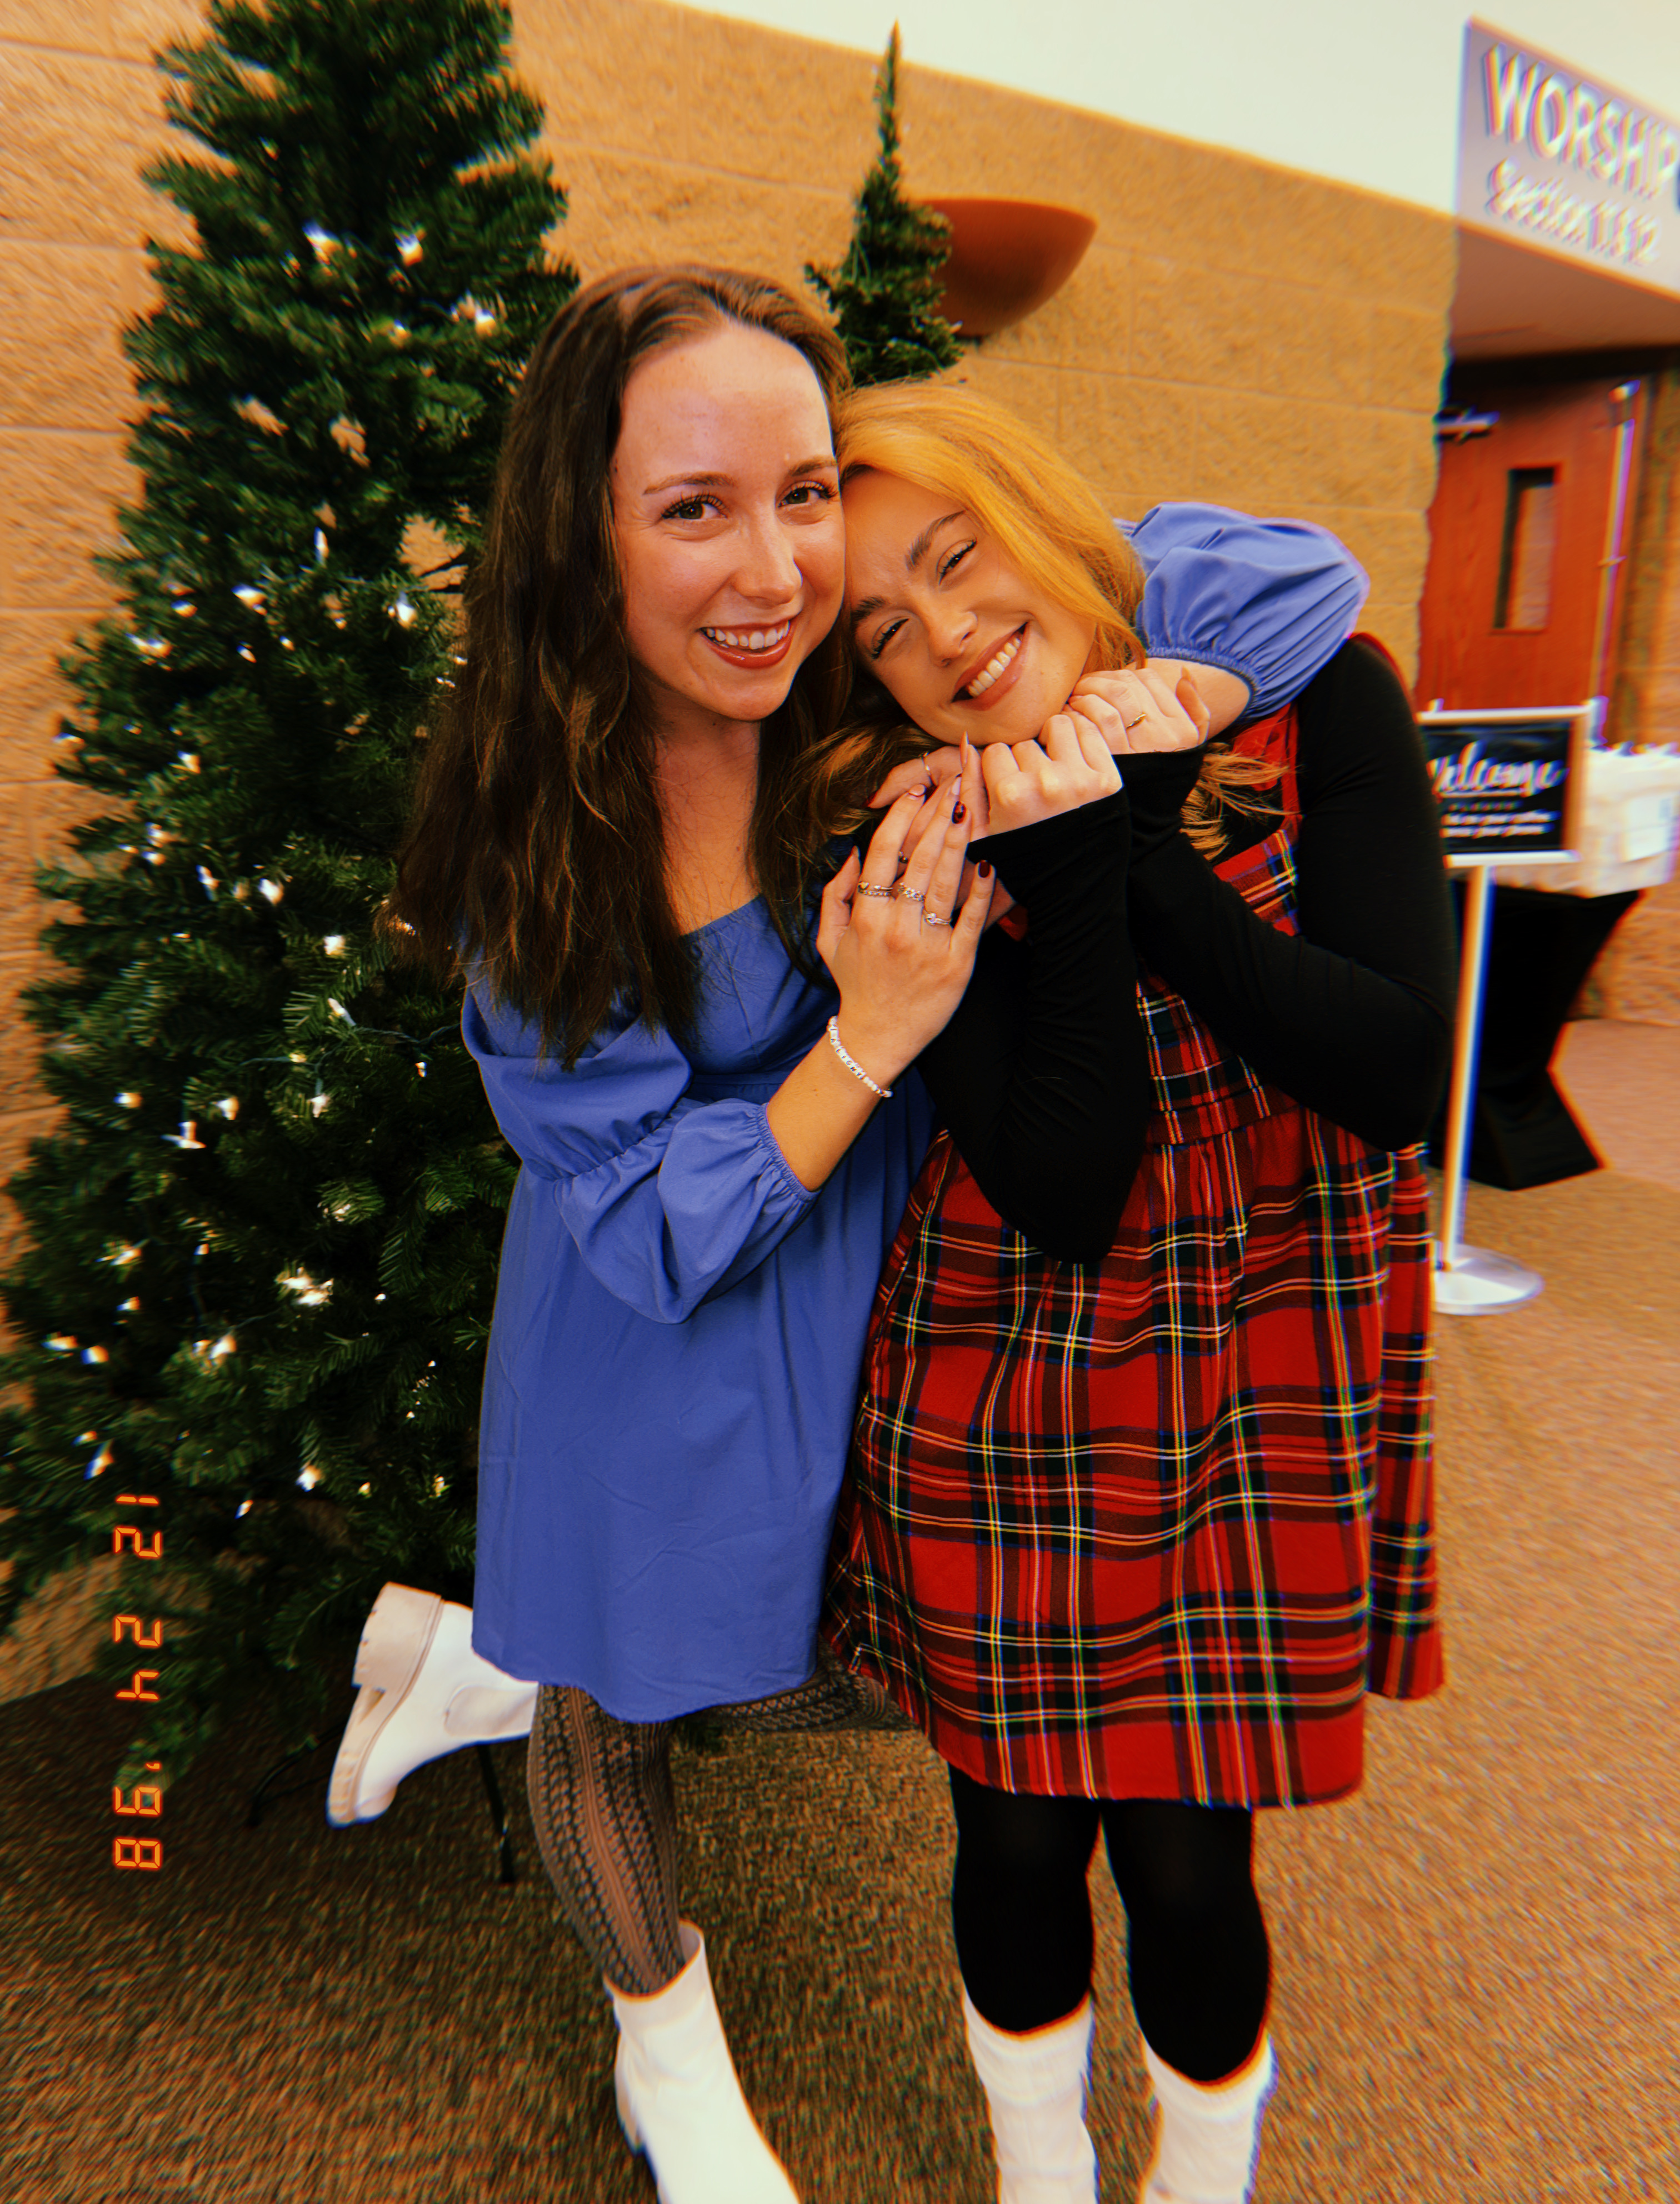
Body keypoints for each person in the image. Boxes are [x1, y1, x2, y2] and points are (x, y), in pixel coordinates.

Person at [327, 264, 1370, 2204]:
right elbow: (648, 1232)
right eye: (693, 508)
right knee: (620, 1710)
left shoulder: (840, 671)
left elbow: (1286, 571)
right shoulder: (544, 827)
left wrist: (1183, 691)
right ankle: (667, 2057)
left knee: (929, 1678)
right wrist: (873, 1037)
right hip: (656, 1344)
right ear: (582, 532)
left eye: (801, 494)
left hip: (878, 1309)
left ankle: (490, 1651)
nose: (774, 567)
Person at [819, 381, 1456, 2204]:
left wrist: (1143, 847)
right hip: (1011, 1362)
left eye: (960, 558)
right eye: (886, 626)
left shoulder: (1313, 701)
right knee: (1017, 1833)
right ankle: (1041, 2174)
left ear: (1042, 517)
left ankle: (1200, 2174)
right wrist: (1075, 871)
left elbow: (1395, 1070)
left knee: (1191, 1857)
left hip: (1262, 1368)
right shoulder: (913, 835)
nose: (947, 633)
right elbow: (1067, 1187)